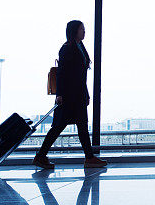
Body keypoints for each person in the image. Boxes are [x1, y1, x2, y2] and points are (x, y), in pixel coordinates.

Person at [34, 20, 106, 169]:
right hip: (68, 96)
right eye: (82, 29)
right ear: (74, 31)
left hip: (78, 94)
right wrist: (59, 94)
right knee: (59, 127)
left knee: (82, 126)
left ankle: (89, 157)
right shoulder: (67, 48)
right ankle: (41, 156)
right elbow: (61, 73)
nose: (84, 32)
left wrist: (85, 93)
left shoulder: (79, 47)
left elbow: (81, 76)